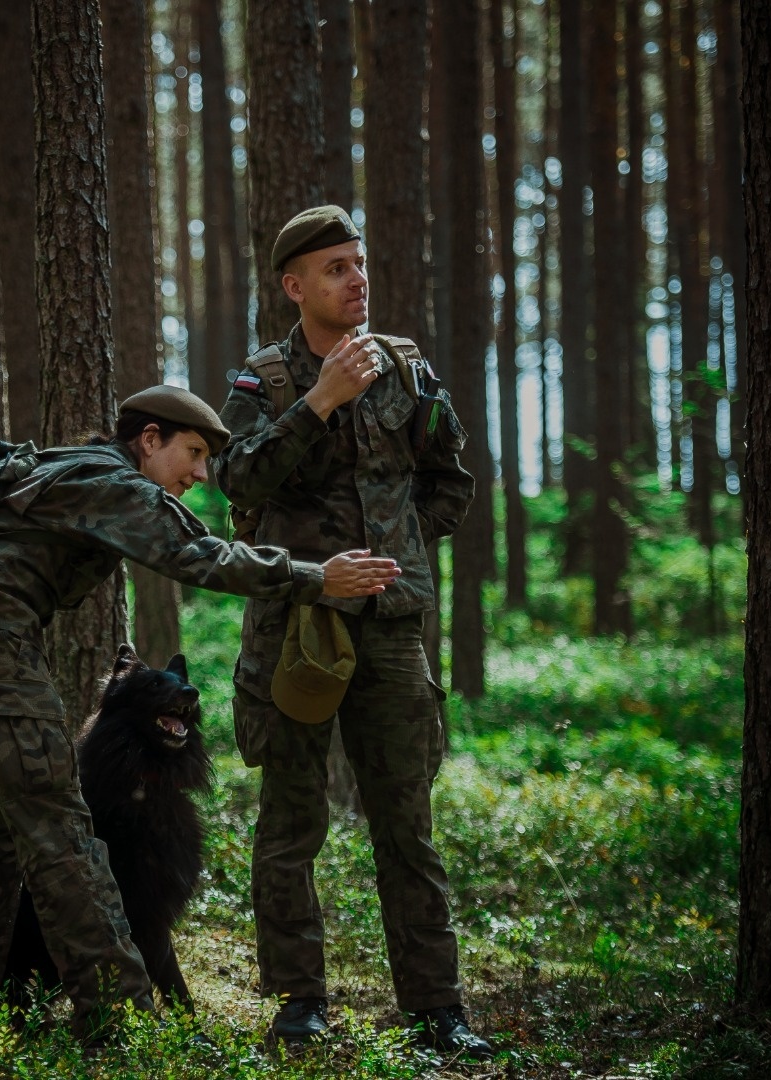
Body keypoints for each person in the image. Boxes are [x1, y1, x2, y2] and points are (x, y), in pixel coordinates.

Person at [0, 384, 400, 1044]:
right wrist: (316, 577)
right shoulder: (115, 482)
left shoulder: (61, 468)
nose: (201, 474)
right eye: (194, 452)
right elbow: (202, 556)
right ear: (149, 440)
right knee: (61, 833)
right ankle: (121, 1021)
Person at [215, 205, 493, 1058]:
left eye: (359, 263)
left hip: (391, 631)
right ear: (295, 286)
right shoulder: (263, 380)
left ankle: (438, 1010)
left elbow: (451, 482)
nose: (357, 279)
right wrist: (319, 402)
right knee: (290, 825)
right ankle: (298, 1003)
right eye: (336, 268)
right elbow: (237, 478)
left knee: (407, 827)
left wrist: (398, 552)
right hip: (295, 625)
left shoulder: (407, 369)